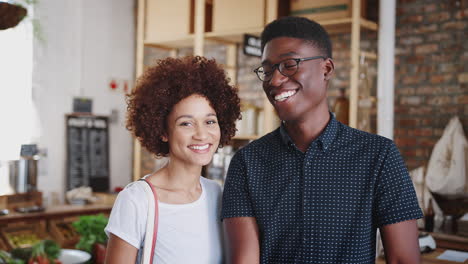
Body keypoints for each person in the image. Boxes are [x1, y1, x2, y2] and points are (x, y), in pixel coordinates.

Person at [221, 16, 423, 264]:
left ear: (326, 69)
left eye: (289, 64)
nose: (274, 80)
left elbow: (404, 259)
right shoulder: (247, 162)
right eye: (268, 69)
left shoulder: (378, 155)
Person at [105, 56, 240, 264]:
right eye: (186, 124)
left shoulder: (218, 195)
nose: (202, 134)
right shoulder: (136, 201)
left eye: (210, 121)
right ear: (163, 131)